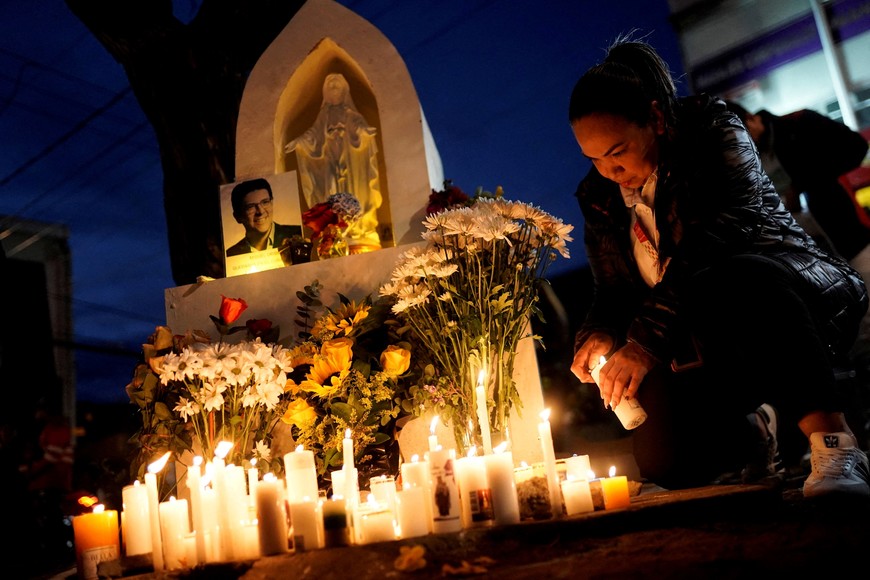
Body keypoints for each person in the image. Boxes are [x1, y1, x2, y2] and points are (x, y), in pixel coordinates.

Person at [567, 34, 870, 498]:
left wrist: (644, 342)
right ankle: (753, 433)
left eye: (617, 152)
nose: (608, 171)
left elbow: (721, 238)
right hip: (689, 338)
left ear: (654, 117)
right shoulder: (600, 196)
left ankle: (835, 442)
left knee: (739, 275)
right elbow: (612, 288)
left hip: (787, 302)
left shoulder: (711, 130)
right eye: (593, 158)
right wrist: (600, 334)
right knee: (665, 463)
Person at [724, 101, 870, 262]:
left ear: (751, 119)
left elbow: (856, 147)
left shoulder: (800, 123)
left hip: (850, 241)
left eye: (743, 136)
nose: (743, 144)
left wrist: (804, 182)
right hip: (806, 260)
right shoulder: (744, 161)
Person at [285, 73, 383, 250]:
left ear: (344, 91)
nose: (335, 92)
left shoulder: (350, 113)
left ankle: (357, 229)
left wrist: (364, 132)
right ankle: (336, 231)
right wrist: (299, 142)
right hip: (331, 158)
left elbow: (359, 127)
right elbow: (313, 134)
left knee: (355, 190)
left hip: (351, 162)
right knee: (332, 190)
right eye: (332, 88)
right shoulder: (324, 114)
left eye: (338, 88)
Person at [225, 177, 302, 262]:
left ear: (272, 203)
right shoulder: (231, 255)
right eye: (251, 207)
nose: (260, 211)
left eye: (265, 202)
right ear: (237, 217)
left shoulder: (298, 235)